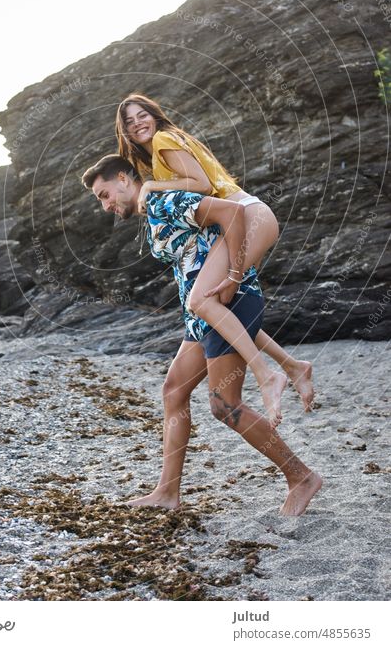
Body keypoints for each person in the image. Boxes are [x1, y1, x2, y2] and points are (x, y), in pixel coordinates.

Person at [81, 154, 322, 516]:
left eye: (104, 195)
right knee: (174, 391)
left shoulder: (164, 200)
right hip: (200, 318)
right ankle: (167, 492)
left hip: (227, 301)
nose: (105, 206)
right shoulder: (153, 213)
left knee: (225, 406)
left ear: (122, 178)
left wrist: (236, 276)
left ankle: (300, 477)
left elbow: (230, 212)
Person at [115, 93, 314, 417]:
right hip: (248, 217)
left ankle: (267, 376)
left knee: (200, 302)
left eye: (141, 115)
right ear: (124, 131)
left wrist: (151, 187)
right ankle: (293, 367)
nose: (137, 124)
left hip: (248, 216)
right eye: (129, 122)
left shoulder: (165, 139)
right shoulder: (163, 148)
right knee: (218, 304)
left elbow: (203, 185)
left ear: (154, 114)